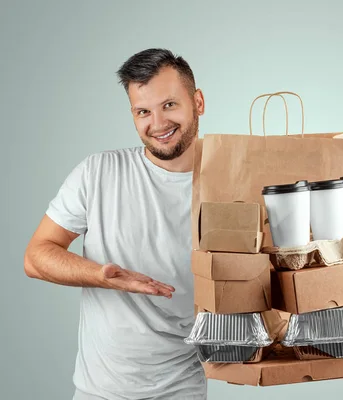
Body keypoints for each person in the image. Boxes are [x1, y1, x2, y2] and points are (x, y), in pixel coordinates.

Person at [24, 48, 207, 400]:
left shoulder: (230, 183)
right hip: (100, 391)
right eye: (143, 111)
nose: (157, 123)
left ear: (197, 102)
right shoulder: (98, 173)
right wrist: (101, 276)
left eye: (169, 105)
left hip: (182, 387)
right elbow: (36, 256)